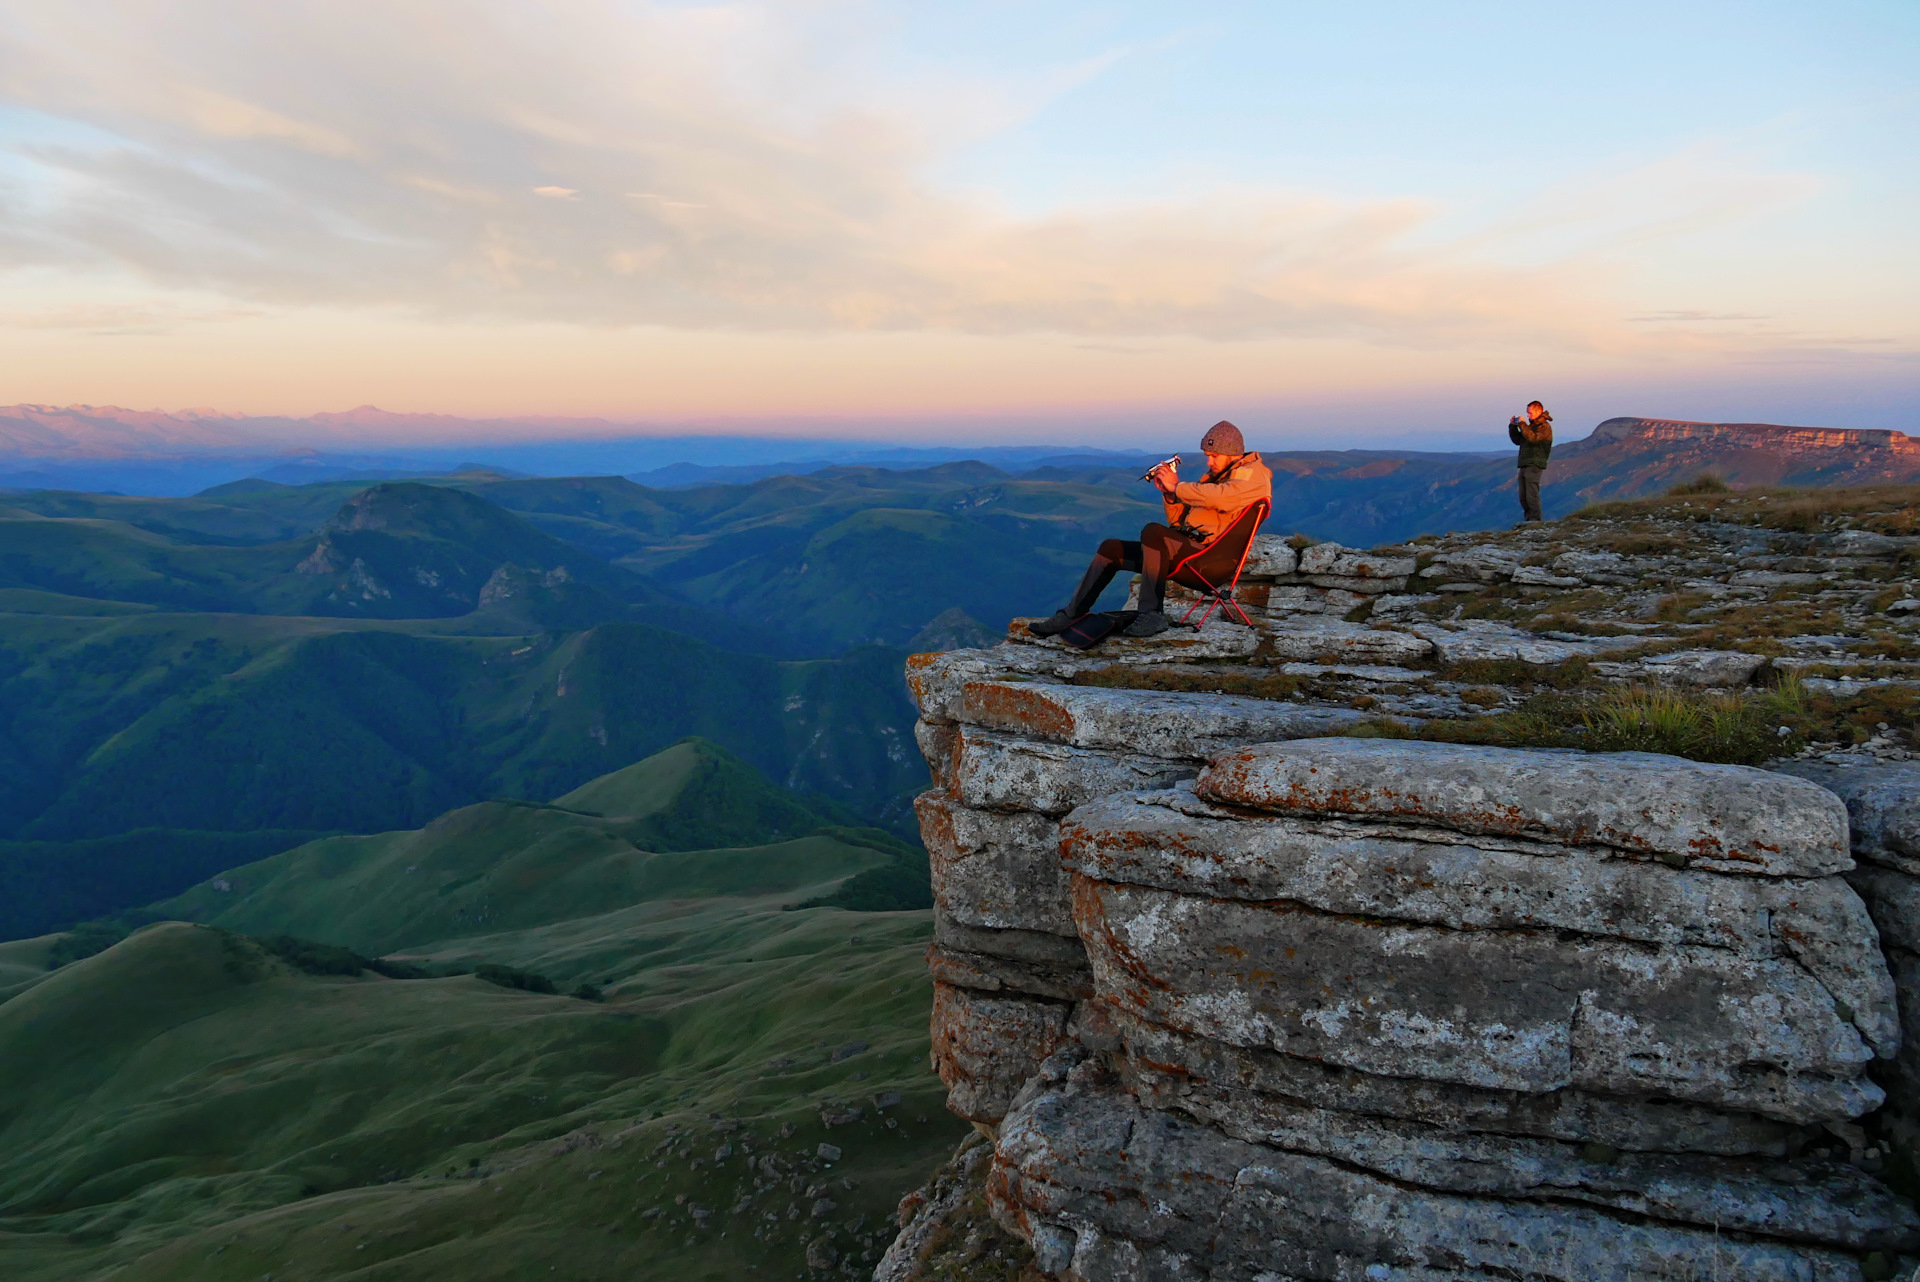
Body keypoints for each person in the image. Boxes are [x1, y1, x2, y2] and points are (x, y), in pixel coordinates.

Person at [1030, 421, 1273, 638]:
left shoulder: (1254, 476)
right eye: (1208, 455)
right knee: (1111, 548)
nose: (1209, 462)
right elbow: (1177, 527)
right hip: (1191, 552)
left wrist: (1178, 486)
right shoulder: (1216, 477)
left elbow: (1224, 499)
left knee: (1153, 532)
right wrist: (1169, 494)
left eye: (1214, 456)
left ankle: (1151, 614)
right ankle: (1071, 614)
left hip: (1210, 561)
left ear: (1232, 452)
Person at [1509, 401, 1553, 523]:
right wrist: (1513, 426)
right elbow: (1518, 440)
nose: (1528, 415)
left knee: (1531, 494)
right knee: (1523, 496)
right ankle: (1529, 520)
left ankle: (1535, 520)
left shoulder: (1544, 427)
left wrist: (1523, 424)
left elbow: (1534, 439)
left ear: (1538, 412)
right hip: (1525, 463)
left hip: (1535, 463)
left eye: (1530, 413)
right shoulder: (1531, 427)